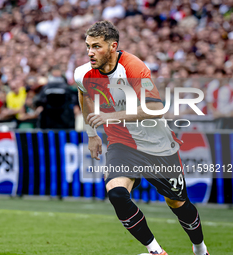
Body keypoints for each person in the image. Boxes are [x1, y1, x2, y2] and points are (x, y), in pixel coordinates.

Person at [74, 21, 209, 255]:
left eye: (96, 46)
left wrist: (109, 116)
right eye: (87, 46)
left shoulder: (134, 68)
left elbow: (156, 108)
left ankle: (200, 249)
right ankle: (156, 251)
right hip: (122, 144)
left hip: (157, 146)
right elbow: (83, 95)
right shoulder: (83, 73)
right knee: (116, 193)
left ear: (113, 46)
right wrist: (91, 134)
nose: (90, 52)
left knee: (178, 204)